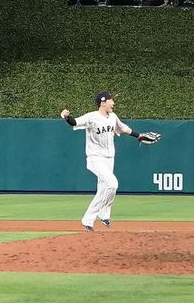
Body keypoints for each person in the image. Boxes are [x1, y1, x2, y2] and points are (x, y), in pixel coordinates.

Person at [59, 93, 160, 231]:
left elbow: (124, 128)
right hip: (95, 158)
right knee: (112, 184)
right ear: (103, 102)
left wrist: (139, 136)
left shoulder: (113, 117)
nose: (113, 103)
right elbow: (75, 122)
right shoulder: (92, 117)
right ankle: (97, 214)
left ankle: (93, 219)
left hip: (109, 159)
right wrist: (66, 116)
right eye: (111, 100)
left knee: (104, 189)